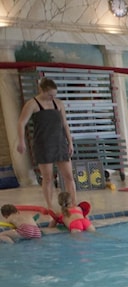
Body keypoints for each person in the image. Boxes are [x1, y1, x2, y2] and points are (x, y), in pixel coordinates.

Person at [17, 78, 76, 210]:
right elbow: (21, 123)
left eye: (54, 95)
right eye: (49, 95)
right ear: (41, 90)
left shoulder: (58, 103)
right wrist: (21, 142)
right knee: (48, 178)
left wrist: (70, 143)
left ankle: (73, 204)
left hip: (59, 143)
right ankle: (49, 206)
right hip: (43, 144)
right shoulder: (32, 104)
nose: (52, 98)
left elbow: (65, 124)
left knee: (69, 176)